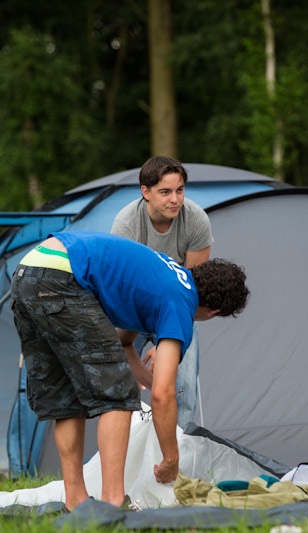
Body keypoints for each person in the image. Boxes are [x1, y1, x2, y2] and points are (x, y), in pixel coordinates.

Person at [10, 231, 248, 511]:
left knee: (65, 400)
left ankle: (75, 501)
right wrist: (171, 460)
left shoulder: (167, 275)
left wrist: (143, 375)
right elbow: (162, 394)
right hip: (63, 278)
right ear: (213, 311)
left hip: (28, 271)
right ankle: (113, 502)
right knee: (120, 396)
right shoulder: (181, 302)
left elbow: (125, 342)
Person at [111, 155, 213, 430]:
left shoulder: (196, 220)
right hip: (133, 308)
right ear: (146, 192)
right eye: (165, 192)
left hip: (177, 307)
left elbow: (192, 290)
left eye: (179, 190)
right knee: (119, 382)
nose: (175, 200)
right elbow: (122, 294)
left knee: (183, 386)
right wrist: (133, 353)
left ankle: (180, 455)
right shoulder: (126, 225)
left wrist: (166, 341)